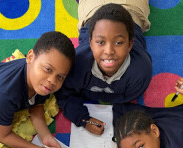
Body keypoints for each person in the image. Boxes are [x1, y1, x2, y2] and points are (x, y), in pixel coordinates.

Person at [55, 1, 152, 135]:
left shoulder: (141, 71)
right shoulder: (77, 63)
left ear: (130, 44)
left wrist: (87, 93)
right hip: (95, 7)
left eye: (118, 43)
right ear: (91, 43)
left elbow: (129, 97)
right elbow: (62, 92)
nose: (109, 51)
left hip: (131, 8)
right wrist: (83, 118)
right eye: (100, 42)